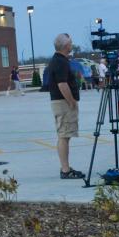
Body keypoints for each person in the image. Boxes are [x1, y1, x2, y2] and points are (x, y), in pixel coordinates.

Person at [46, 34, 84, 179]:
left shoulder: (58, 60)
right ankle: (65, 169)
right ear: (65, 46)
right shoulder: (60, 61)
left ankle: (65, 168)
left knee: (64, 135)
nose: (72, 45)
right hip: (63, 103)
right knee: (64, 135)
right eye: (70, 43)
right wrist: (71, 102)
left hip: (61, 102)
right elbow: (62, 84)